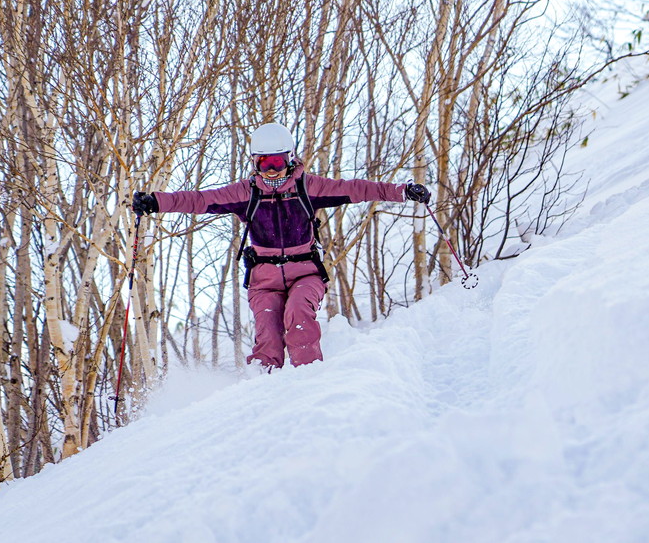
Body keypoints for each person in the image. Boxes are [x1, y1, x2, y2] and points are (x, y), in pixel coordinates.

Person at [132, 122, 431, 371]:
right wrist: (157, 202)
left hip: (306, 272)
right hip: (264, 279)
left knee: (299, 315)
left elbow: (357, 189)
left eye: (277, 163)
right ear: (255, 163)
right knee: (268, 335)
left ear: (289, 159)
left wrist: (402, 191)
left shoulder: (308, 187)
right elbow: (199, 200)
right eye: (265, 163)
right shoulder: (245, 193)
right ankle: (264, 389)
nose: (272, 171)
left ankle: (307, 380)